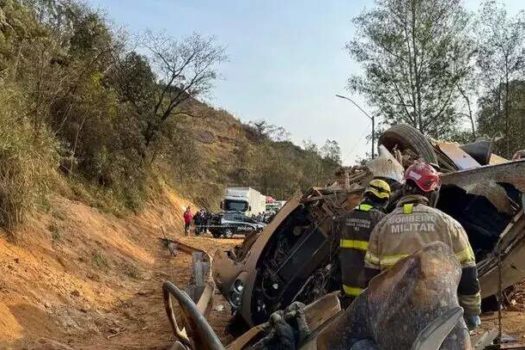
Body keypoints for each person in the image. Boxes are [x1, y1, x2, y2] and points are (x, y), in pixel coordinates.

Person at [364, 161, 481, 330]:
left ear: (404, 190)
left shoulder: (381, 227)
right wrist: (471, 312)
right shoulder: (448, 224)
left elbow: (371, 281)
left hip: (393, 320)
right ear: (432, 192)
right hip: (439, 319)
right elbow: (469, 274)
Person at [335, 178, 391, 306]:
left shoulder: (344, 218)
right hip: (369, 292)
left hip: (346, 289)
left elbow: (336, 257)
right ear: (384, 201)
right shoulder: (382, 220)